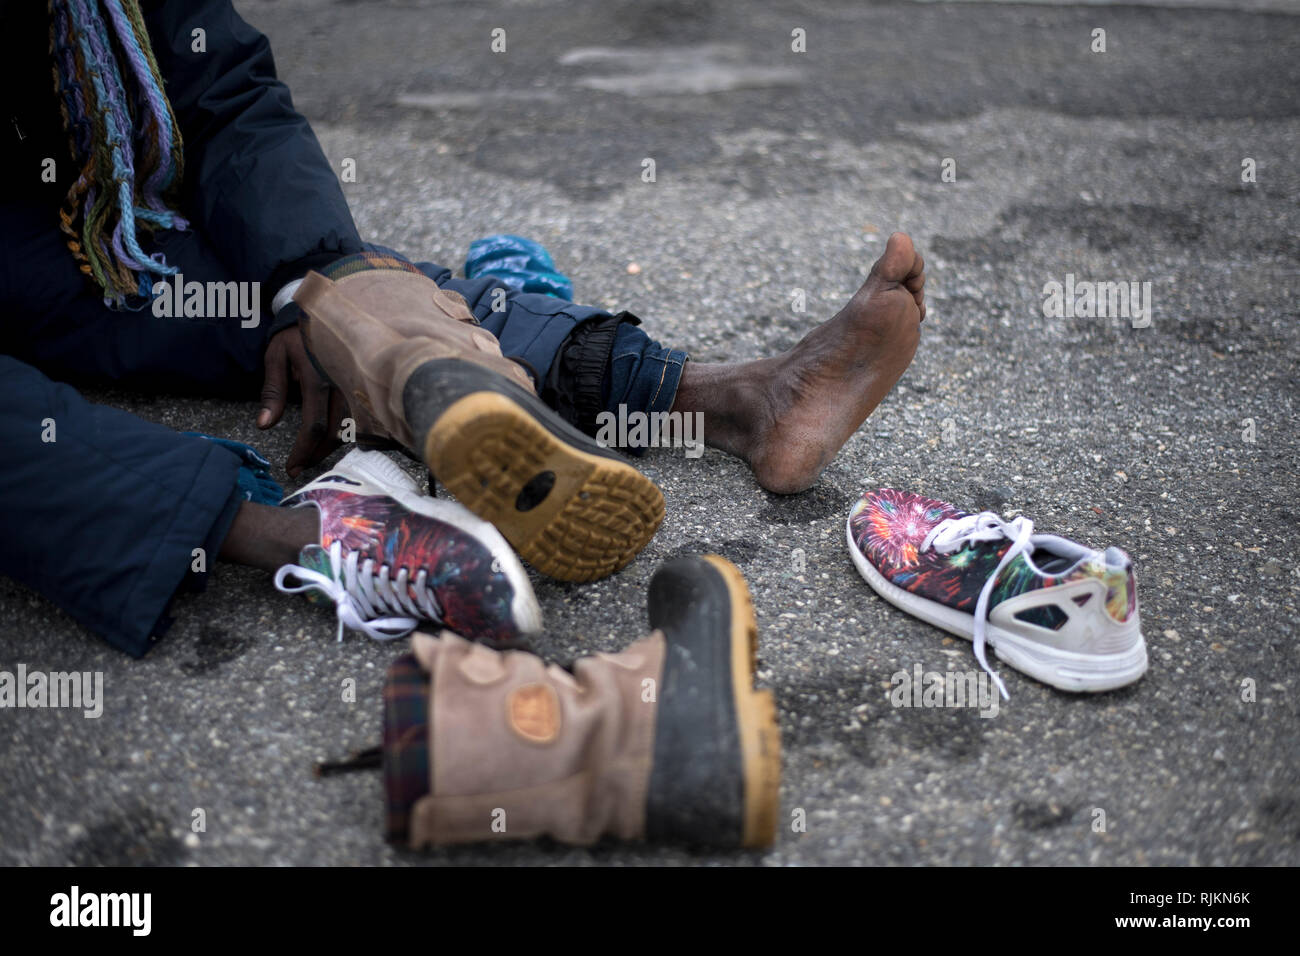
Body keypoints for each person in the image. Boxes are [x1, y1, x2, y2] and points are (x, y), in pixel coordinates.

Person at [3, 0, 923, 661]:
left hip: (82, 221)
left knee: (360, 292)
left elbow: (226, 98)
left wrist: (302, 283)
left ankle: (733, 403)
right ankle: (304, 534)